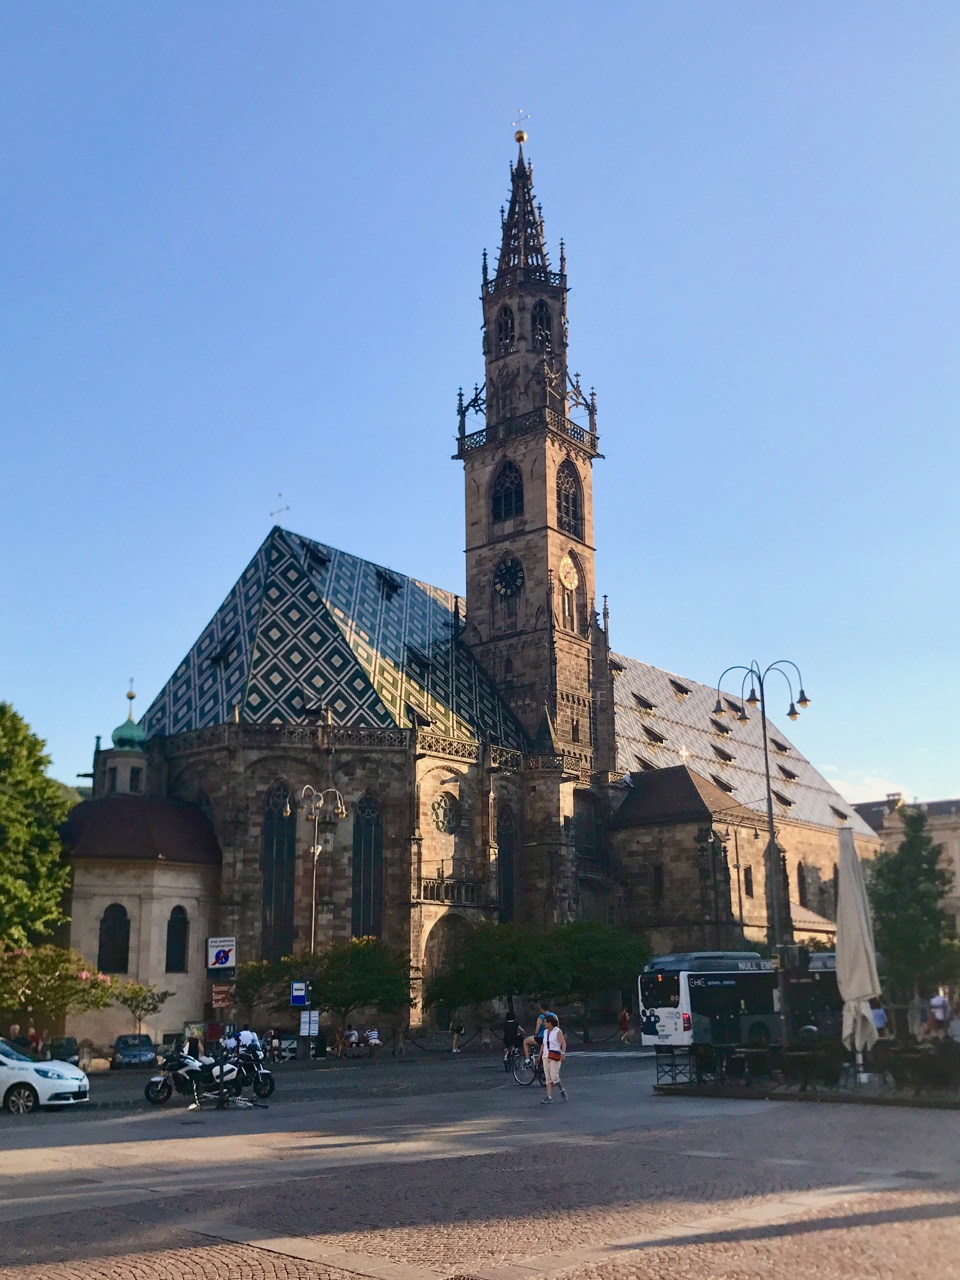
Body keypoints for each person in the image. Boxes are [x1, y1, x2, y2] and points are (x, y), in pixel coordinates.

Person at [538, 1013, 567, 1104]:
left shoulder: (557, 1031)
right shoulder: (545, 1032)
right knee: (548, 1077)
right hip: (546, 1055)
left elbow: (563, 1043)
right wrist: (539, 1055)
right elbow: (543, 1044)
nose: (544, 1024)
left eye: (545, 1022)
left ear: (550, 1023)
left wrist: (563, 1053)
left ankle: (561, 1088)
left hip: (555, 1055)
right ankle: (549, 1096)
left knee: (554, 1077)